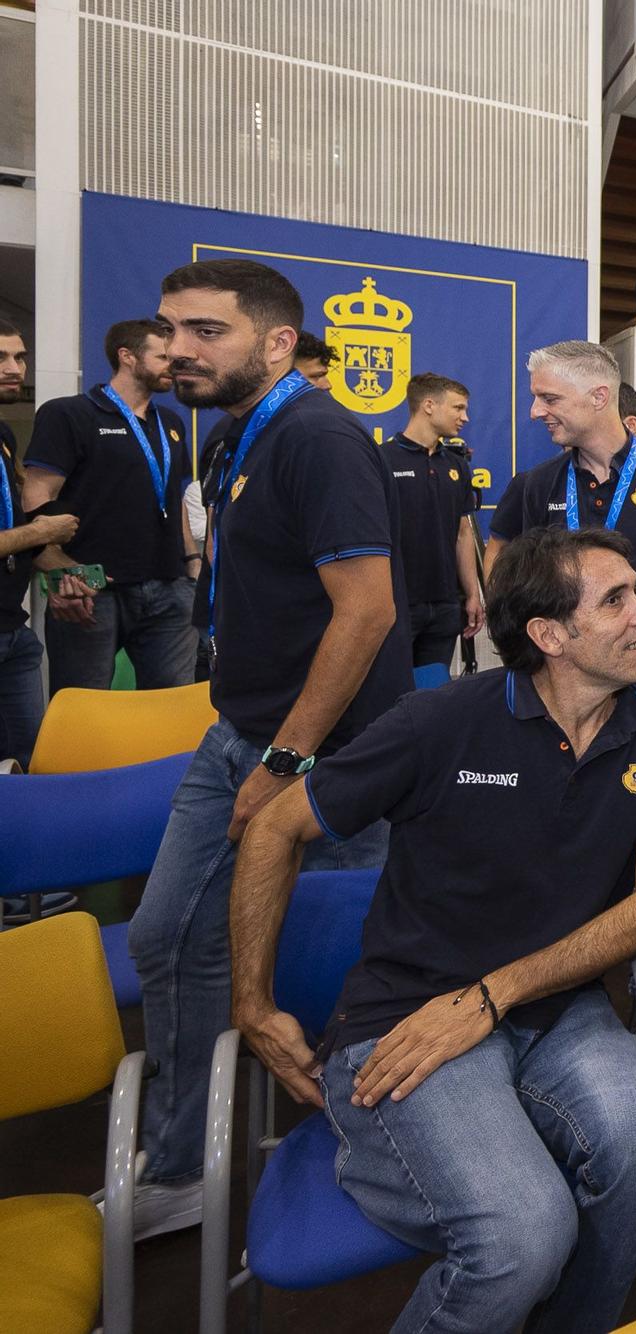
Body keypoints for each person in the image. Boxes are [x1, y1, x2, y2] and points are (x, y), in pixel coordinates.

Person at [230, 525, 636, 1334]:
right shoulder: (439, 722)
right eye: (617, 599)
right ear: (549, 636)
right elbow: (273, 829)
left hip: (550, 1011)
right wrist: (252, 1003)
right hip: (407, 1017)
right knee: (525, 1231)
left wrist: (495, 994)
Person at [127, 259, 412, 1240]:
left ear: (278, 343)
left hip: (320, 760)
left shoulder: (318, 436)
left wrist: (284, 763)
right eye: (171, 331)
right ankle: (180, 1167)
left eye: (207, 331)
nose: (179, 350)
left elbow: (366, 610)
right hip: (245, 735)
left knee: (342, 971)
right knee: (169, 936)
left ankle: (370, 1158)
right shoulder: (243, 436)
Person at [486, 341, 636, 1003]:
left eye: (548, 398)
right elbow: (500, 564)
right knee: (580, 806)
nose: (536, 411)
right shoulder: (537, 487)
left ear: (599, 397)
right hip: (566, 679)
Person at [22, 318, 199, 691]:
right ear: (128, 357)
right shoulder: (69, 414)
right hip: (90, 588)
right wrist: (57, 570)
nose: (175, 366)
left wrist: (192, 564)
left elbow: (174, 496)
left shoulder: (170, 422)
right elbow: (37, 496)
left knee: (171, 711)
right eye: (164, 357)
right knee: (83, 709)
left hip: (169, 588)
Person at [0, 319, 80, 768]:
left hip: (15, 632)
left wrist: (65, 569)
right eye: (1, 357)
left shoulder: (5, 436)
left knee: (35, 765)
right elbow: (26, 530)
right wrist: (41, 531)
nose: (15, 368)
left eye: (20, 356)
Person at [385, 372, 483, 671]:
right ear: (429, 405)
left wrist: (472, 594)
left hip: (444, 606)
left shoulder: (457, 465)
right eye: (458, 408)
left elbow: (463, 534)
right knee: (391, 696)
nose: (465, 417)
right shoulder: (381, 459)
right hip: (396, 604)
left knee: (431, 697)